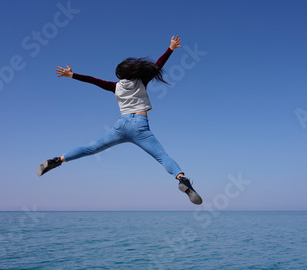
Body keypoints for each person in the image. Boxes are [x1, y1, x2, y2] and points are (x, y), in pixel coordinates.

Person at [37, 36, 202, 205]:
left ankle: (57, 160)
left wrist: (72, 75)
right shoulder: (142, 80)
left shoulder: (115, 86)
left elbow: (94, 80)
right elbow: (158, 64)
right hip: (140, 126)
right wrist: (171, 49)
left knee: (90, 148)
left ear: (120, 76)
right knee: (162, 156)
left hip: (121, 126)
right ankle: (182, 179)